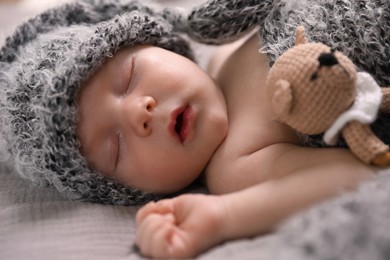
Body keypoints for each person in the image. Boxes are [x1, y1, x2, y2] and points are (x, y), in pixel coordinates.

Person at [0, 0, 388, 258]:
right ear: (131, 193)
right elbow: (363, 174)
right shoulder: (235, 164)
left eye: (129, 77)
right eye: (115, 146)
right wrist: (224, 216)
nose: (140, 112)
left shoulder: (224, 43)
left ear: (160, 44)